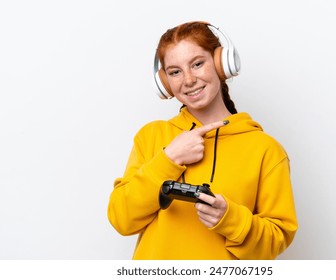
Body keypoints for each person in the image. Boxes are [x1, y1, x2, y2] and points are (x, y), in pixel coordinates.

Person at [107, 21, 298, 260]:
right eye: (175, 72)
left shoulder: (265, 149)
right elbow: (121, 219)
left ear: (221, 64)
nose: (188, 80)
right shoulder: (151, 136)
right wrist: (169, 159)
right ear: (165, 82)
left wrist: (230, 220)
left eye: (197, 64)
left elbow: (277, 239)